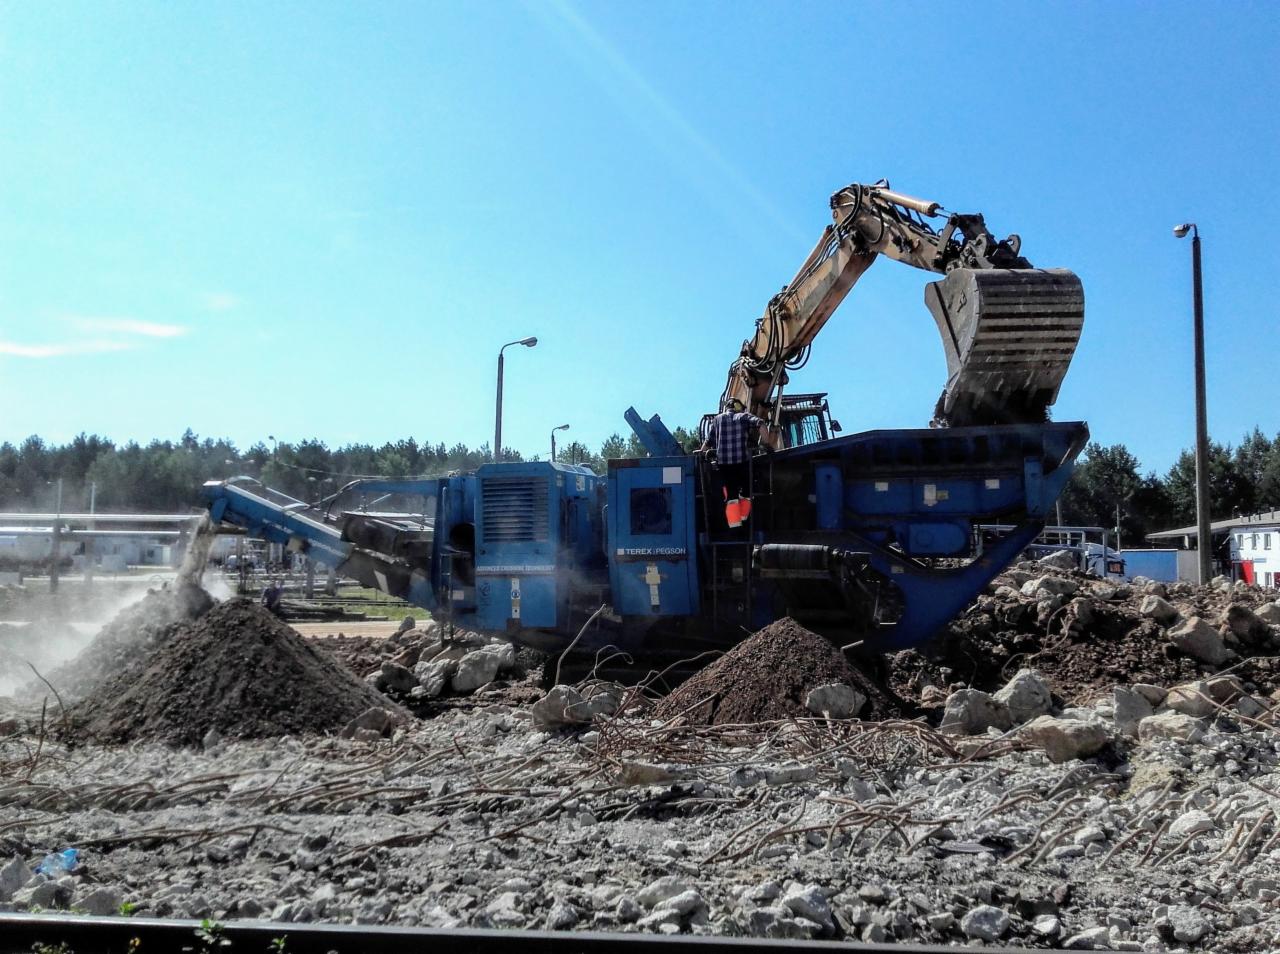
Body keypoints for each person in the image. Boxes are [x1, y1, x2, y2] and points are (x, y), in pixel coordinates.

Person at [701, 398, 774, 527]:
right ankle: (744, 520)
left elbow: (708, 442)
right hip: (742, 463)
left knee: (731, 496)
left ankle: (735, 525)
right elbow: (761, 423)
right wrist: (767, 444)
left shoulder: (717, 420)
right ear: (738, 406)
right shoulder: (743, 416)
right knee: (746, 492)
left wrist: (700, 455)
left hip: (723, 465)